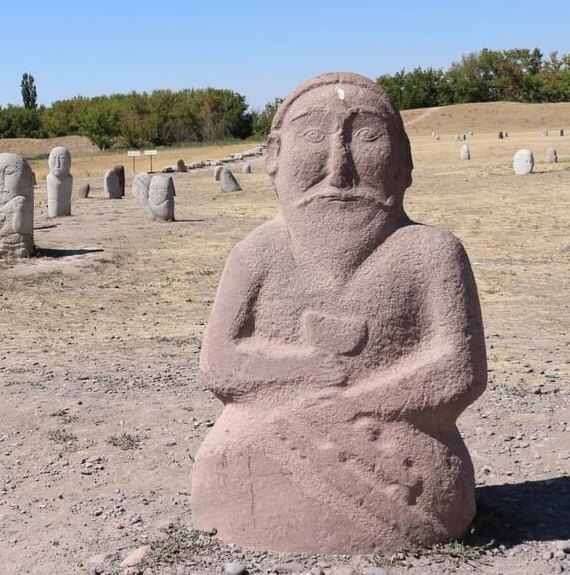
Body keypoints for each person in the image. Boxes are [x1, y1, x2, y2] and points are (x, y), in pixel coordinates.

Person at [191, 72, 486, 553]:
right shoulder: (257, 252)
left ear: (404, 161)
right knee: (236, 454)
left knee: (422, 476)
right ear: (274, 156)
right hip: (260, 444)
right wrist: (302, 367)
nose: (339, 169)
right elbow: (219, 364)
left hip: (402, 462)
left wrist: (359, 401)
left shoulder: (430, 251)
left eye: (368, 137)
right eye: (311, 136)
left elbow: (459, 370)